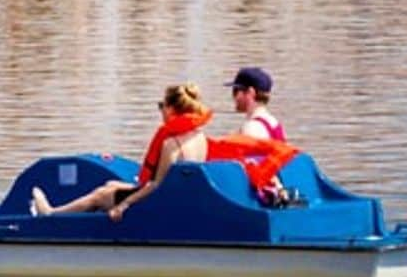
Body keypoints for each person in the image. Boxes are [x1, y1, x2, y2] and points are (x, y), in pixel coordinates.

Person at [31, 83, 211, 220]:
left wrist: (123, 205)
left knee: (100, 196)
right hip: (179, 197)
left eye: (161, 105)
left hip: (162, 202)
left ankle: (51, 214)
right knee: (111, 185)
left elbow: (156, 186)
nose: (161, 111)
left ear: (171, 109)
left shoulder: (171, 144)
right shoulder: (199, 136)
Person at [226, 67, 285, 141]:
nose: (234, 97)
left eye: (235, 91)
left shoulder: (251, 128)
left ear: (250, 92)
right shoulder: (274, 123)